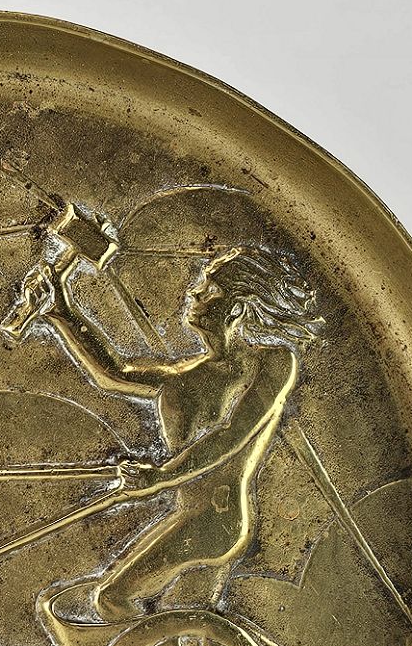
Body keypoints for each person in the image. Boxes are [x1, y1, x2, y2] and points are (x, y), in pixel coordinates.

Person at [19, 242, 323, 619]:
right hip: (189, 518)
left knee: (113, 600)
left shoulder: (274, 363)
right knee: (185, 626)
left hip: (216, 521)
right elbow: (114, 373)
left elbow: (231, 433)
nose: (195, 292)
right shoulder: (183, 380)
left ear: (237, 308)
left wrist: (160, 478)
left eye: (210, 289)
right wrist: (61, 312)